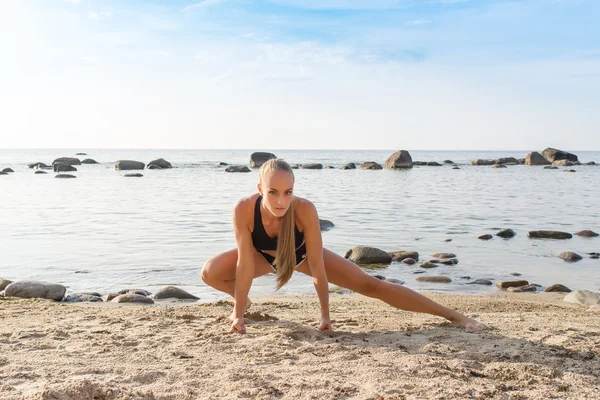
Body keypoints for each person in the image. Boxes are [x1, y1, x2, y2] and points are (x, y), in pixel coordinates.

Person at [201, 158, 486, 334]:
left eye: (288, 192)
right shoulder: (243, 209)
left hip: (300, 256)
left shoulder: (304, 210)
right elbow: (244, 263)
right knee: (211, 272)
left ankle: (454, 316)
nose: (281, 201)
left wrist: (325, 316)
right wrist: (238, 312)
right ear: (260, 188)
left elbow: (317, 267)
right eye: (273, 193)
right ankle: (244, 303)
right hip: (262, 257)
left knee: (373, 286)